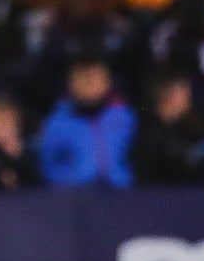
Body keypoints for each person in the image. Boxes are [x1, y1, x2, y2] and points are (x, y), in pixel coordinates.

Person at [38, 49, 136, 187]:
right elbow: (48, 166)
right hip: (76, 200)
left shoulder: (124, 118)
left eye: (94, 78)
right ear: (70, 83)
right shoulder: (56, 124)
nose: (88, 84)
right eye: (82, 78)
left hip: (122, 197)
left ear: (107, 82)